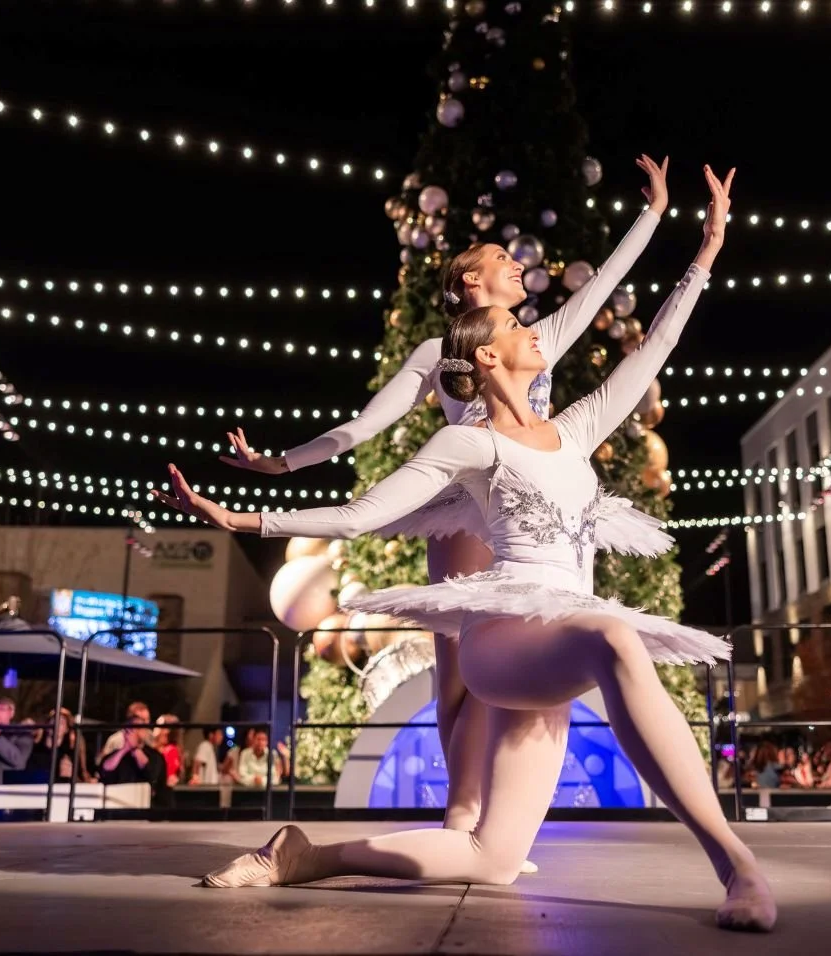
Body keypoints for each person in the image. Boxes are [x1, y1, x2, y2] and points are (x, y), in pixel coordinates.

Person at [155, 166, 776, 933]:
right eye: (519, 329)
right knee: (614, 637)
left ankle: (302, 856)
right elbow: (360, 513)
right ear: (486, 356)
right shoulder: (468, 443)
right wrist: (241, 516)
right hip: (504, 635)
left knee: (492, 855)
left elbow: (657, 347)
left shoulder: (577, 428)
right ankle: (738, 867)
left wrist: (705, 250)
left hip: (560, 627)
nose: (538, 329)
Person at [215, 156, 672, 862]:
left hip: (527, 498)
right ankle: (463, 814)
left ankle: (484, 823)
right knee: (461, 668)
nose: (518, 264)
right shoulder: (439, 351)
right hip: (464, 503)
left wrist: (653, 212)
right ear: (468, 280)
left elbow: (604, 284)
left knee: (509, 661)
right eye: (501, 259)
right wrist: (282, 464)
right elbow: (365, 426)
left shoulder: (535, 338)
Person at [99, 716, 168, 803]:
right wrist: (125, 748)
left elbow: (151, 773)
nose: (134, 732)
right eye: (130, 730)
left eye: (138, 728)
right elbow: (106, 769)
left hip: (144, 803)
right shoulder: (117, 755)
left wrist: (135, 748)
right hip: (118, 802)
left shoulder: (154, 756)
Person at [29, 707, 90, 783]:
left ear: (66, 729)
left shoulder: (70, 755)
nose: (57, 724)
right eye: (54, 720)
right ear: (48, 725)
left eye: (61, 722)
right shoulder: (35, 749)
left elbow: (83, 781)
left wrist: (71, 776)